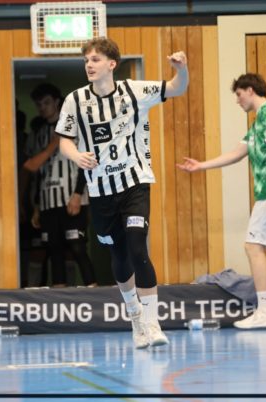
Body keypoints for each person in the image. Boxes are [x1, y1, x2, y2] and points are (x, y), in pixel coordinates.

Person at [56, 37, 189, 348]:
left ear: (111, 64)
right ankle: (135, 316)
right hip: (100, 191)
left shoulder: (134, 91)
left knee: (137, 247)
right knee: (118, 254)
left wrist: (182, 69)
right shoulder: (75, 100)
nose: (89, 65)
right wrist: (77, 156)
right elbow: (64, 141)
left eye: (95, 59)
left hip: (135, 183)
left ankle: (152, 324)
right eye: (86, 60)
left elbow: (176, 88)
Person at [178, 73, 266, 330]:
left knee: (253, 246)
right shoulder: (258, 122)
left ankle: (265, 311)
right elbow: (237, 153)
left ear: (250, 90)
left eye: (238, 94)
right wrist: (201, 165)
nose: (237, 100)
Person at [24, 83, 97, 288]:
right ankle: (60, 297)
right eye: (39, 104)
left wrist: (78, 194)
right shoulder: (39, 134)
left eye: (46, 103)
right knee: (53, 249)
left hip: (72, 198)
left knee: (77, 247)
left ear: (57, 102)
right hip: (48, 201)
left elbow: (86, 163)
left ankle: (95, 292)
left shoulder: (74, 127)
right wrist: (37, 206)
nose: (42, 108)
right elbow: (38, 173)